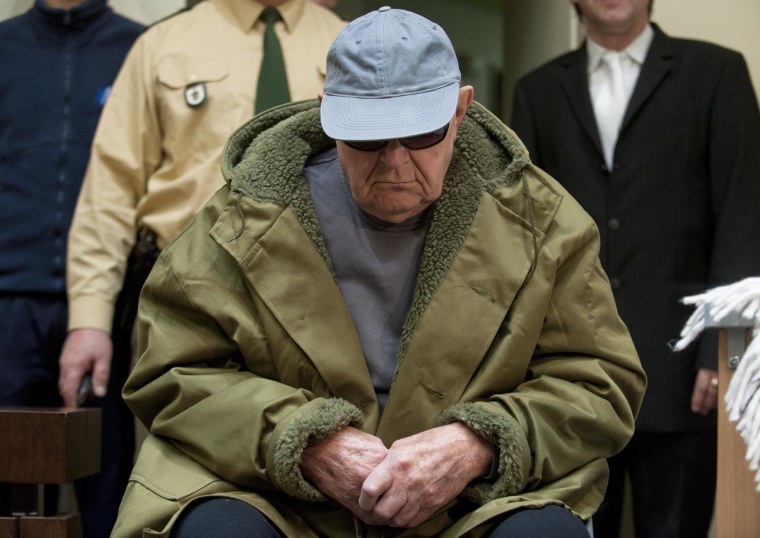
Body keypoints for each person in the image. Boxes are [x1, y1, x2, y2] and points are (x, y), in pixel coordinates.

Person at [111, 7, 645, 537]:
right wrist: (300, 439)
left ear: (460, 112)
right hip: (279, 499)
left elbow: (599, 382)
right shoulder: (241, 219)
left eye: (421, 137)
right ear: (327, 115)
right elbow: (173, 369)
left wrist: (480, 442)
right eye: (366, 138)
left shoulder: (542, 224)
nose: (394, 163)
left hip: (470, 507)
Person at [57, 0, 344, 534]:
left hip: (320, 308)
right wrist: (90, 320)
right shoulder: (162, 45)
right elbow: (110, 191)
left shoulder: (348, 43)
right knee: (176, 489)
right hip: (181, 305)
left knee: (318, 473)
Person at [510, 1, 760, 536]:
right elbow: (521, 234)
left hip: (686, 367)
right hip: (568, 373)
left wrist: (723, 347)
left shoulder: (717, 73)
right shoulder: (537, 91)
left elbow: (743, 216)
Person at [0, 0, 141, 534]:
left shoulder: (140, 48)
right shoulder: (5, 46)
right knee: (6, 478)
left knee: (103, 484)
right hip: (8, 300)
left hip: (108, 307)